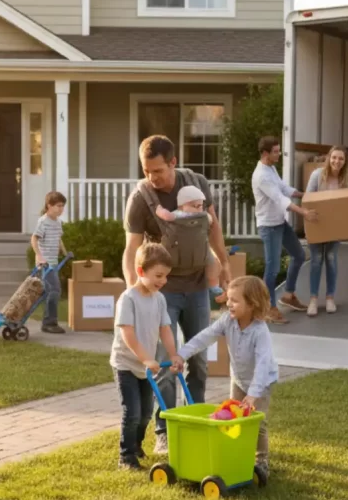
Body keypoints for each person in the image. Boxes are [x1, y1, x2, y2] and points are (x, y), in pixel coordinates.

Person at [122, 135, 230, 455]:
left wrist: (223, 263)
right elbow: (131, 249)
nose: (152, 177)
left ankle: (195, 421)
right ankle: (164, 430)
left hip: (197, 285)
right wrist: (133, 287)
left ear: (173, 162)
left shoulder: (196, 183)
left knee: (198, 361)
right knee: (167, 363)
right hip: (162, 291)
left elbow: (213, 227)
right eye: (146, 170)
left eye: (157, 170)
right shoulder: (141, 198)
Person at [172, 275, 278, 482]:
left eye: (235, 300)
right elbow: (205, 337)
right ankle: (237, 450)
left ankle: (260, 460)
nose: (228, 303)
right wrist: (182, 354)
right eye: (228, 298)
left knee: (256, 423)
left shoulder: (260, 332)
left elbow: (263, 365)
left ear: (252, 304)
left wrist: (253, 395)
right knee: (232, 415)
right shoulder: (228, 321)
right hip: (238, 379)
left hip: (261, 383)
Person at [110, 243, 181, 470]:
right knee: (132, 412)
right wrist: (146, 359)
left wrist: (174, 354)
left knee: (145, 414)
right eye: (158, 275)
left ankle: (136, 445)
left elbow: (165, 329)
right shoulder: (128, 299)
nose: (163, 281)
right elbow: (127, 334)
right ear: (141, 272)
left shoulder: (159, 298)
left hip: (147, 366)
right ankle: (126, 457)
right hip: (127, 364)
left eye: (166, 276)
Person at [251, 136, 316, 324]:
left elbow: (284, 189)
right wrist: (304, 212)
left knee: (299, 255)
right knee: (272, 269)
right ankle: (267, 308)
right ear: (265, 153)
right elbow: (280, 200)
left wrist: (305, 195)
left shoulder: (270, 168)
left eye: (279, 151)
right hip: (268, 226)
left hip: (279, 222)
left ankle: (288, 295)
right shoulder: (261, 175)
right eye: (276, 152)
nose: (279, 154)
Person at [304, 146, 348, 316]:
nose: (337, 161)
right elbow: (308, 199)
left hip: (336, 225)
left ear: (345, 161)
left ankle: (330, 298)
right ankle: (313, 299)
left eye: (340, 159)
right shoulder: (317, 175)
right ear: (328, 158)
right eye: (334, 157)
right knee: (316, 259)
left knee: (330, 257)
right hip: (317, 223)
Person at [154, 184, 225, 302]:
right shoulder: (177, 215)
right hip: (179, 248)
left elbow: (210, 220)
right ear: (182, 206)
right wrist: (159, 210)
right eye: (194, 206)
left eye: (200, 206)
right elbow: (167, 216)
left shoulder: (203, 216)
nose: (198, 209)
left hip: (199, 249)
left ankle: (214, 286)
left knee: (213, 262)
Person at [31, 190, 68, 334]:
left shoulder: (58, 222)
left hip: (53, 263)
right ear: (49, 206)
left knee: (51, 292)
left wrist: (65, 252)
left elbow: (58, 238)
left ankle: (48, 321)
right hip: (44, 265)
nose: (61, 209)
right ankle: (49, 322)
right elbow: (34, 239)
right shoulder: (43, 221)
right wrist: (39, 256)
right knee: (54, 290)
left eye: (62, 206)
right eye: (58, 206)